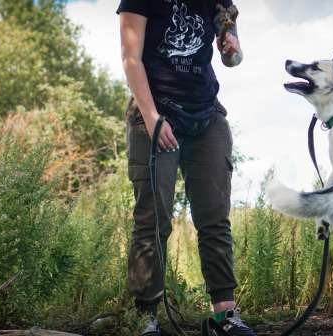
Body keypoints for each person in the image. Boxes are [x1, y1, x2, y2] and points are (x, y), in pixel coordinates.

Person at [117, 0, 255, 335]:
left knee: (214, 219)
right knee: (153, 219)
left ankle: (225, 315)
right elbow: (130, 58)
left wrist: (232, 48)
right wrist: (151, 119)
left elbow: (232, 59)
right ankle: (145, 316)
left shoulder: (218, 2)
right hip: (155, 112)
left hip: (206, 116)